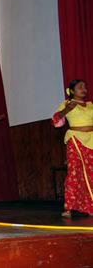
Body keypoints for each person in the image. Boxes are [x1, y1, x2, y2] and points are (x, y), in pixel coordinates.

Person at [53, 80, 93, 217]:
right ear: (71, 91)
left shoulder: (90, 105)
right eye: (80, 87)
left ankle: (89, 205)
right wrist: (67, 109)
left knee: (90, 172)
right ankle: (68, 207)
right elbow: (56, 121)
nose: (84, 89)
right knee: (75, 172)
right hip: (75, 140)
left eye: (85, 86)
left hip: (91, 140)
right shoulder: (66, 104)